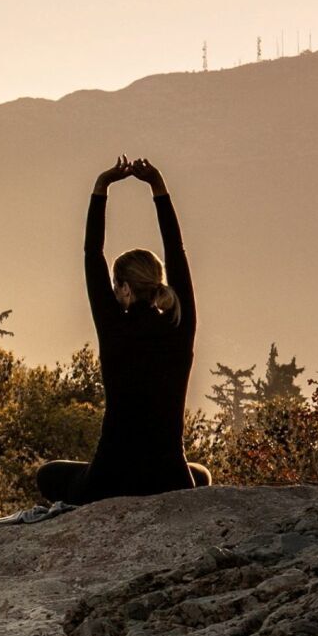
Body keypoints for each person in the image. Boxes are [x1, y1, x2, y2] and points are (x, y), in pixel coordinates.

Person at [37, 156, 210, 504]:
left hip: (109, 479)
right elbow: (176, 251)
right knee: (202, 474)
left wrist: (101, 187)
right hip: (169, 477)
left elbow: (92, 251)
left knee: (48, 474)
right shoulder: (179, 323)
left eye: (117, 287)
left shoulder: (114, 324)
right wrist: (158, 186)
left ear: (125, 289)